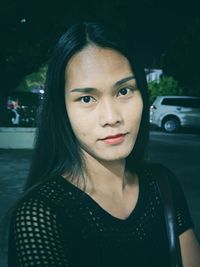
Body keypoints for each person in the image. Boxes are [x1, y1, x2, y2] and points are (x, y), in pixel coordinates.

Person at [8, 22, 200, 267]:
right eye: (86, 98)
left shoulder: (163, 186)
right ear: (62, 110)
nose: (112, 118)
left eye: (124, 91)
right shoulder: (39, 215)